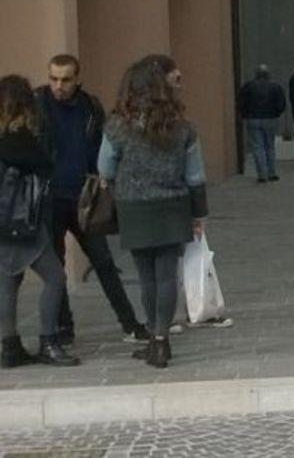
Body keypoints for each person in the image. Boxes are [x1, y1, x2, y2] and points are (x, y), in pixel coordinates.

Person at [98, 55, 207, 369]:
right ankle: (162, 338)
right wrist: (198, 214)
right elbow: (195, 175)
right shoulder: (183, 127)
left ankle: (150, 337)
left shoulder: (118, 125)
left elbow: (104, 166)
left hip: (133, 206)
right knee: (167, 275)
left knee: (146, 277)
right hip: (173, 204)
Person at [36, 54, 148, 346]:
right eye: (54, 79)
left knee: (104, 262)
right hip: (50, 196)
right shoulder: (37, 105)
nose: (58, 86)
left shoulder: (90, 107)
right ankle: (64, 328)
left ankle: (130, 323)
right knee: (55, 267)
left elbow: (102, 144)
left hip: (84, 195)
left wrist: (102, 177)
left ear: (77, 79)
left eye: (65, 80)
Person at [0, 75, 80, 367]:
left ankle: (9, 346)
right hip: (23, 222)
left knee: (8, 282)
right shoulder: (18, 137)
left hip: (2, 223)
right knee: (55, 277)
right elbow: (45, 165)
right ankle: (48, 341)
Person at [237, 65, 286, 183]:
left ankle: (262, 174)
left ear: (256, 74)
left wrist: (244, 114)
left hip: (253, 119)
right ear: (268, 74)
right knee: (270, 146)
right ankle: (272, 172)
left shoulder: (248, 86)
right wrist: (276, 113)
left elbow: (240, 102)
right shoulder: (276, 87)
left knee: (258, 147)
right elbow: (281, 104)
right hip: (270, 119)